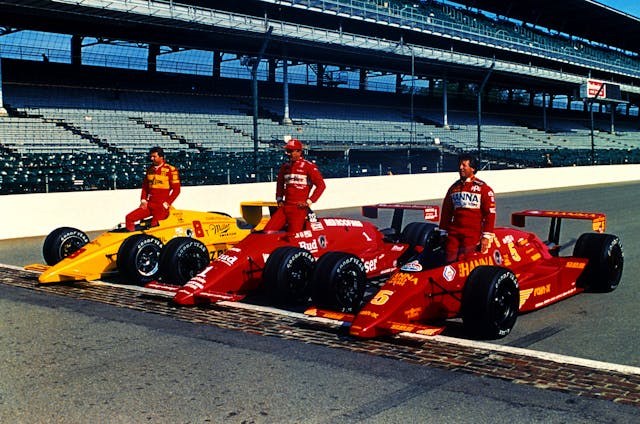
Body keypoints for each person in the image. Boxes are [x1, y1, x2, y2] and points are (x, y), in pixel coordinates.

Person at [439, 153, 496, 263]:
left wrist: (486, 236)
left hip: (472, 234)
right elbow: (446, 211)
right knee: (449, 259)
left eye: (464, 165)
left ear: (473, 168)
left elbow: (490, 214)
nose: (460, 168)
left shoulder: (483, 188)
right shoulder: (453, 188)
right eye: (460, 165)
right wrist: (443, 231)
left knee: (466, 261)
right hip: (454, 233)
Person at [263, 138, 326, 234]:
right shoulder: (285, 166)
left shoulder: (309, 166)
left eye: (290, 151)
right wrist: (279, 199)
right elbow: (280, 183)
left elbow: (321, 185)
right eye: (287, 151)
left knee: (294, 234)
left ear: (299, 151)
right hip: (285, 206)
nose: (288, 154)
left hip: (299, 208)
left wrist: (309, 201)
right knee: (268, 231)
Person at [125, 146, 181, 231]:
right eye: (151, 156)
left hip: (161, 207)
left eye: (154, 156)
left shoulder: (171, 170)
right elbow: (145, 187)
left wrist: (167, 204)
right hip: (149, 205)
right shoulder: (149, 169)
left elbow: (177, 190)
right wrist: (143, 200)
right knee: (129, 218)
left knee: (154, 226)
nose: (152, 158)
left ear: (161, 157)